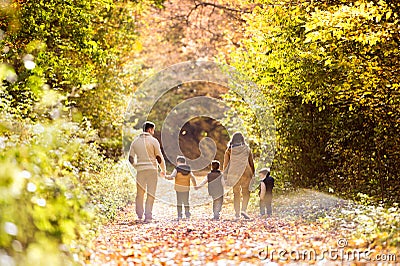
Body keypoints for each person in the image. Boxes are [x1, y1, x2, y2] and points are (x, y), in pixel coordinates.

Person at [129, 121, 166, 223]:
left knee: (140, 193)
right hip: (152, 171)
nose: (153, 132)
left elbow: (131, 158)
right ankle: (148, 215)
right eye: (153, 130)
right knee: (151, 193)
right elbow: (159, 157)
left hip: (140, 171)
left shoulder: (135, 142)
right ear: (150, 130)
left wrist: (136, 166)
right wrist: (163, 170)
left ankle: (139, 213)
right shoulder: (154, 141)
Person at [223, 132, 255, 220]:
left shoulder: (229, 150)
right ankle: (244, 210)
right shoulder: (247, 149)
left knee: (236, 193)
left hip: (234, 173)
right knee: (246, 192)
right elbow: (251, 163)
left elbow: (226, 165)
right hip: (246, 172)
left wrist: (225, 176)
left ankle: (237, 214)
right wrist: (253, 174)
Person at [166, 156, 197, 220]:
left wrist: (166, 176)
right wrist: (195, 185)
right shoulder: (188, 169)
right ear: (184, 162)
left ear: (178, 162)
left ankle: (179, 215)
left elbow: (172, 176)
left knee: (179, 201)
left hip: (178, 188)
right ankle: (187, 214)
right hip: (186, 188)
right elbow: (193, 177)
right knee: (186, 201)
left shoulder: (177, 168)